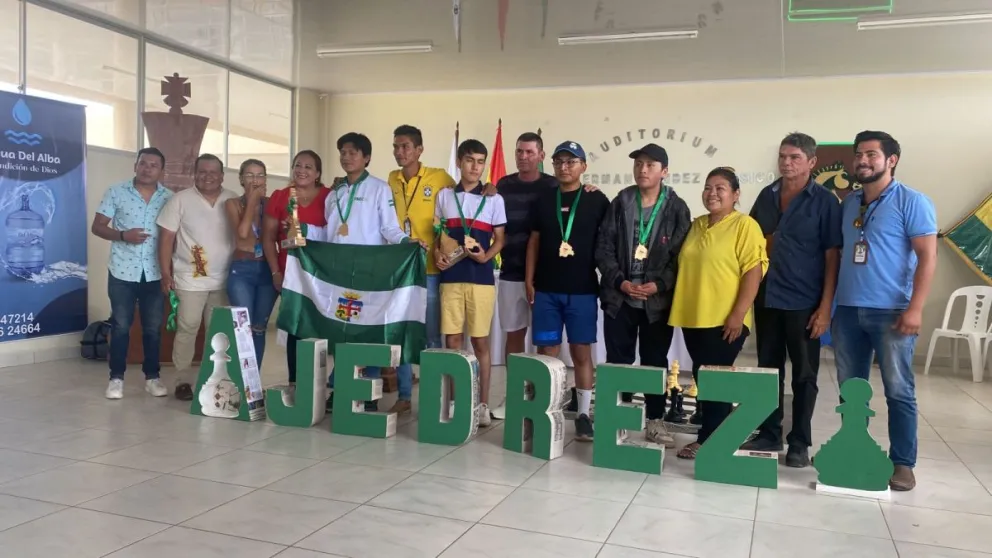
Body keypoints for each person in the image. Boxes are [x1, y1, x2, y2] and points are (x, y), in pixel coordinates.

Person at [832, 131, 937, 492]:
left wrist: (915, 308)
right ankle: (853, 450)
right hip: (847, 310)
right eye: (859, 154)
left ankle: (903, 463)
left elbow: (928, 257)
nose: (863, 160)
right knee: (850, 390)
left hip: (892, 312)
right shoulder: (849, 203)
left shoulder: (913, 201)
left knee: (898, 390)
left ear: (891, 160)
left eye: (872, 154)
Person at [742, 132, 842, 468]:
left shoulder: (825, 201)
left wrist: (825, 307)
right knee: (768, 370)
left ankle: (799, 440)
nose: (786, 162)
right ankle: (769, 432)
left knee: (804, 374)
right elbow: (750, 243)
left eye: (795, 157)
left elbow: (832, 256)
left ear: (812, 162)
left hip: (804, 302)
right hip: (768, 298)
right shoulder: (766, 196)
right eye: (783, 156)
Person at [304, 133, 415, 412]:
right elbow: (329, 232)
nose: (346, 157)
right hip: (338, 275)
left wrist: (405, 241)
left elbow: (389, 227)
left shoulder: (379, 188)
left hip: (369, 274)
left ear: (366, 158)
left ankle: (368, 392)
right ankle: (343, 387)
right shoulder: (334, 194)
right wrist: (303, 232)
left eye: (353, 152)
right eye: (342, 151)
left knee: (368, 334)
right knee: (342, 332)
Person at [595, 143, 691, 447]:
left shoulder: (677, 207)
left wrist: (660, 284)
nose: (643, 169)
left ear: (664, 171)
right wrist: (620, 281)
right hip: (620, 298)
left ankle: (655, 420)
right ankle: (617, 419)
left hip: (656, 303)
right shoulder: (621, 201)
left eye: (650, 165)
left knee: (654, 362)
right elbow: (604, 247)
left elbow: (682, 256)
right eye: (638, 163)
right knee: (618, 360)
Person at [671, 167, 767, 460]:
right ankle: (717, 435)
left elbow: (754, 269)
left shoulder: (745, 225)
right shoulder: (696, 225)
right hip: (693, 316)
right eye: (708, 187)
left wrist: (738, 314)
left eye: (721, 188)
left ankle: (710, 441)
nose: (712, 193)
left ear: (736, 194)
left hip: (726, 320)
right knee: (705, 376)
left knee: (717, 380)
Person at [526, 141, 611, 441]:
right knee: (547, 353)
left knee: (581, 353)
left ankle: (585, 415)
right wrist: (528, 279)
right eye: (559, 161)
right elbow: (534, 241)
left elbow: (610, 242)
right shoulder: (543, 200)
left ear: (584, 167)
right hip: (547, 289)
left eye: (571, 162)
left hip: (583, 290)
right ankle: (545, 411)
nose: (564, 167)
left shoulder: (598, 200)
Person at [435, 139, 506, 427]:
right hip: (451, 278)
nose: (475, 167)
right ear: (460, 163)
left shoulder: (493, 198)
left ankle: (483, 404)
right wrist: (438, 254)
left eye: (480, 161)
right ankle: (455, 402)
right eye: (469, 160)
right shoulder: (444, 196)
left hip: (481, 280)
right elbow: (438, 233)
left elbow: (500, 239)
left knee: (480, 342)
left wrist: (485, 257)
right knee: (453, 341)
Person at [92, 147, 173, 399]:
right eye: (143, 163)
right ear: (135, 166)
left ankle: (152, 377)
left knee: (152, 328)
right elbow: (98, 226)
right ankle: (116, 379)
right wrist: (122, 235)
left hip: (155, 273)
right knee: (121, 326)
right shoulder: (116, 192)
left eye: (153, 165)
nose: (147, 168)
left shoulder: (170, 198)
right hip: (122, 271)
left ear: (162, 171)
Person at [387, 125, 456, 414]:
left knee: (430, 336)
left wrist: (488, 189)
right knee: (401, 334)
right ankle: (404, 395)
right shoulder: (391, 179)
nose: (399, 152)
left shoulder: (439, 177)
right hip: (400, 270)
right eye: (396, 146)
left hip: (428, 269)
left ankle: (432, 397)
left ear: (419, 150)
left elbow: (463, 198)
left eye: (405, 146)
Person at [158, 153, 238, 400]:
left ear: (222, 175)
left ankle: (211, 379)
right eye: (202, 171)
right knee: (187, 328)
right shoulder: (180, 200)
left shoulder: (233, 199)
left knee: (217, 334)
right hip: (189, 279)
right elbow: (166, 239)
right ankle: (182, 380)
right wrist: (165, 273)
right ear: (195, 174)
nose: (208, 176)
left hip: (225, 278)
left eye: (213, 172)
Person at [490, 132, 558, 418]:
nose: (523, 156)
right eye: (519, 151)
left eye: (530, 152)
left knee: (545, 339)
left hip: (546, 277)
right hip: (511, 273)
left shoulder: (554, 185)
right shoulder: (503, 185)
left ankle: (542, 397)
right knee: (514, 335)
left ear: (541, 156)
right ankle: (515, 394)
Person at [263, 150, 330, 389]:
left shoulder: (329, 197)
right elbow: (268, 239)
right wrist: (275, 273)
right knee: (295, 326)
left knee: (320, 327)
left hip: (320, 276)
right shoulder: (280, 197)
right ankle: (296, 382)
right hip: (290, 274)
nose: (302, 170)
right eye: (298, 165)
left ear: (318, 174)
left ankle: (320, 382)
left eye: (308, 167)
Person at [224, 159, 277, 370]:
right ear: (240, 179)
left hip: (266, 269)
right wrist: (253, 200)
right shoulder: (232, 203)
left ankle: (253, 383)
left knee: (259, 328)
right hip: (242, 270)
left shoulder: (272, 203)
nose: (255, 180)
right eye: (249, 175)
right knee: (242, 327)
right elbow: (243, 235)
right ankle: (241, 378)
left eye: (260, 175)